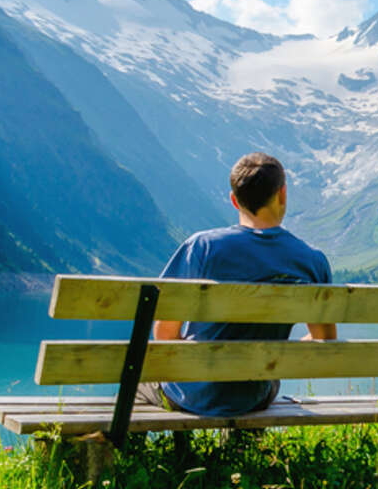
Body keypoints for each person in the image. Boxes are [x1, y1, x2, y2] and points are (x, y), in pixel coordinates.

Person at [138, 152, 336, 416]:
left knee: (138, 383)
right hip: (254, 396)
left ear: (234, 200)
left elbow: (164, 335)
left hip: (193, 395)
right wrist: (276, 352)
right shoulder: (311, 260)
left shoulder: (202, 247)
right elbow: (325, 339)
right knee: (256, 384)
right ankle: (243, 446)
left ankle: (168, 452)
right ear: (282, 194)